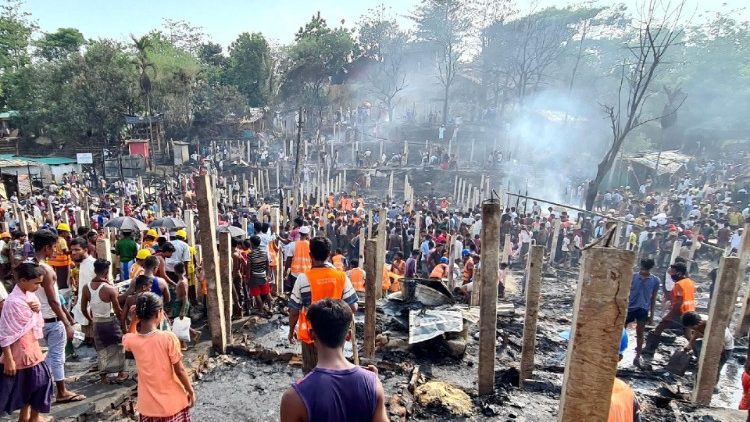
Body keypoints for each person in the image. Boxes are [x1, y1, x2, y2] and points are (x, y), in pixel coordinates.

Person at [280, 299, 387, 422]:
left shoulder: (294, 397)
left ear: (311, 335)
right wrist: (373, 382)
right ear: (349, 335)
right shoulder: (373, 385)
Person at [288, 236, 359, 374]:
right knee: (334, 370)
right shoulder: (341, 277)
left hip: (312, 335)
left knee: (311, 372)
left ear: (310, 255)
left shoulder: (303, 279)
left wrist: (291, 330)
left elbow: (294, 310)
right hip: (336, 335)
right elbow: (353, 307)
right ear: (329, 254)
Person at [123, 292, 195, 421]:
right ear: (158, 313)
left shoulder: (132, 340)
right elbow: (180, 370)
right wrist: (190, 390)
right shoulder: (168, 338)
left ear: (138, 315)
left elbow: (128, 337)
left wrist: (134, 321)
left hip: (148, 408)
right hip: (172, 404)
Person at [33, 230, 85, 404]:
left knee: (47, 356)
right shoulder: (45, 270)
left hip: (36, 320)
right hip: (51, 319)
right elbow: (53, 301)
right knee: (57, 356)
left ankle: (42, 385)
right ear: (47, 247)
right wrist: (67, 323)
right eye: (54, 247)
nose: (55, 250)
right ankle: (61, 391)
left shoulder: (25, 265)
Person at [0, 262, 53, 422]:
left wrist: (36, 310)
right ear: (22, 280)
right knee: (34, 386)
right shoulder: (12, 303)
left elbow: (35, 322)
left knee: (36, 386)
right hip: (21, 353)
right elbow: (5, 333)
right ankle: (32, 418)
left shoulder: (30, 297)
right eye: (36, 283)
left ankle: (29, 417)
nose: (38, 287)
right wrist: (8, 358)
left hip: (33, 348)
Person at [81, 259, 129, 384]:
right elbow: (118, 310)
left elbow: (83, 308)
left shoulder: (86, 287)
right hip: (110, 321)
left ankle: (103, 377)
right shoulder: (109, 289)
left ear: (95, 270)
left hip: (97, 323)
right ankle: (121, 372)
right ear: (107, 272)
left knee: (101, 349)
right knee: (118, 346)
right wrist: (124, 325)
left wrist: (91, 320)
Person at [645, 262, 696, 354]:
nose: (671, 274)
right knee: (688, 335)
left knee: (659, 327)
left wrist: (669, 315)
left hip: (680, 313)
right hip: (690, 311)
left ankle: (650, 349)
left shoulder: (679, 285)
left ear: (679, 273)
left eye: (672, 272)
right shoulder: (689, 282)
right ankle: (698, 353)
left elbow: (679, 303)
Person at [682, 311, 734, 387]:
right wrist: (690, 345)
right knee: (701, 366)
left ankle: (711, 387)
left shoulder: (716, 329)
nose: (691, 329)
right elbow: (697, 332)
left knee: (715, 369)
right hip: (709, 341)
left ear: (699, 324)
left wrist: (706, 360)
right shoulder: (698, 318)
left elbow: (720, 349)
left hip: (725, 348)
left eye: (692, 327)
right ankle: (698, 384)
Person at [626, 259, 660, 367]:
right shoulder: (633, 277)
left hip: (643, 309)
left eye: (646, 269)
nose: (644, 271)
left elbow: (653, 298)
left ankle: (637, 356)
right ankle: (618, 351)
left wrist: (652, 315)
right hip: (629, 307)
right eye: (643, 269)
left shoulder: (655, 280)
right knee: (621, 331)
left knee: (640, 333)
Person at [170, 263, 200, 350]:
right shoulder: (183, 279)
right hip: (181, 303)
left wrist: (182, 310)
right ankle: (194, 333)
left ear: (175, 271)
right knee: (180, 323)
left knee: (178, 323)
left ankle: (183, 344)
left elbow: (185, 296)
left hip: (181, 303)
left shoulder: (182, 282)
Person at [71, 237, 96, 340]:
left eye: (77, 250)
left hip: (92, 303)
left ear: (85, 250)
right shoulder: (81, 264)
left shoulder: (93, 264)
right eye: (72, 250)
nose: (73, 252)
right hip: (83, 301)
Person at [247, 236, 272, 314]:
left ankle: (260, 310)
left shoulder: (250, 254)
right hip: (264, 275)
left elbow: (249, 268)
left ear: (251, 243)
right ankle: (270, 308)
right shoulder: (265, 252)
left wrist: (248, 278)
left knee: (257, 294)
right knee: (267, 292)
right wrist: (267, 275)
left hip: (254, 277)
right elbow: (267, 265)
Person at [286, 226, 312, 294]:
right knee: (305, 293)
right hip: (307, 273)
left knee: (295, 293)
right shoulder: (311, 245)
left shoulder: (293, 244)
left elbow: (288, 260)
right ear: (307, 234)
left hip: (295, 273)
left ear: (299, 233)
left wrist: (286, 271)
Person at [49, 223, 72, 289]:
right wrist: (73, 250)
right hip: (63, 263)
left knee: (59, 280)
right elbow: (65, 252)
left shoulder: (55, 239)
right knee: (64, 281)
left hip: (56, 263)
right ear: (63, 232)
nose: (68, 234)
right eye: (67, 232)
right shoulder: (62, 240)